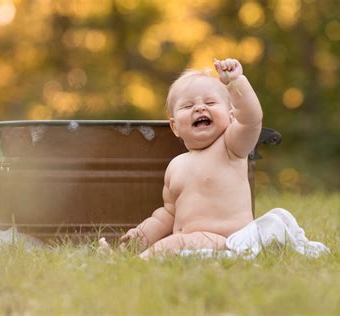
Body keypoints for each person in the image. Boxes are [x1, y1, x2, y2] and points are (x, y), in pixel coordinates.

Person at [99, 58, 263, 259]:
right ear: (175, 127)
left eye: (210, 102)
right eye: (187, 106)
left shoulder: (231, 147)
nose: (200, 108)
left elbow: (251, 119)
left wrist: (236, 81)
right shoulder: (176, 165)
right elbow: (168, 214)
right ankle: (126, 253)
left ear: (230, 117)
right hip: (191, 243)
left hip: (229, 241)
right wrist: (141, 234)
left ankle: (130, 265)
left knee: (176, 242)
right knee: (172, 242)